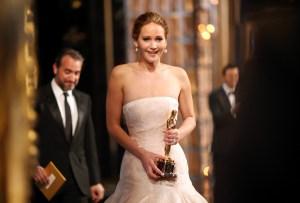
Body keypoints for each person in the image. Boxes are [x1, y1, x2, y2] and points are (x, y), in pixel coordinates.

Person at [105, 11, 207, 203]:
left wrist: (180, 133)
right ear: (136, 41)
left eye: (159, 39)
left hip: (173, 163)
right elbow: (113, 126)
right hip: (136, 164)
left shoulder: (179, 75)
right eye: (146, 39)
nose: (153, 45)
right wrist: (143, 155)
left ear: (166, 42)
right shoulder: (120, 75)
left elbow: (191, 118)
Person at [32, 48, 105, 203]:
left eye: (77, 73)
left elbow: (89, 142)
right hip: (46, 184)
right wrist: (33, 166)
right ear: (55, 68)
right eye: (68, 72)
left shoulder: (85, 100)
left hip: (79, 185)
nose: (72, 78)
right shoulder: (36, 98)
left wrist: (95, 180)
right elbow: (23, 138)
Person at [208, 64, 239, 203]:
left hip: (240, 146)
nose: (234, 78)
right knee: (220, 182)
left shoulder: (242, 93)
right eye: (231, 75)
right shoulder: (215, 95)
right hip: (222, 147)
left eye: (236, 75)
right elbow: (218, 118)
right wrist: (233, 111)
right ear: (224, 76)